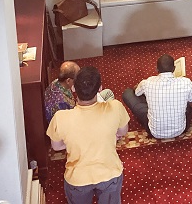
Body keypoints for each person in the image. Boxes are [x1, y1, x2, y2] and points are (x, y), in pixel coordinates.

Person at [46, 66, 130, 204]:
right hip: (110, 174)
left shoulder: (60, 118)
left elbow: (56, 146)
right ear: (100, 88)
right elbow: (122, 132)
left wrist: (75, 140)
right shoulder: (115, 107)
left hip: (77, 179)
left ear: (73, 88)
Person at [122, 54, 192, 139]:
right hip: (180, 130)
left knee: (127, 93)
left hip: (154, 132)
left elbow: (136, 93)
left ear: (157, 69)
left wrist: (139, 86)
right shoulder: (186, 82)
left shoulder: (147, 82)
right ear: (174, 69)